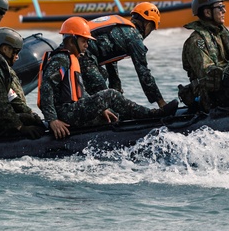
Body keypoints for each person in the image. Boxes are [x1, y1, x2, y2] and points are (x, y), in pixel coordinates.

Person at [38, 17, 167, 139]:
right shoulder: (60, 60)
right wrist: (52, 120)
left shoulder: (70, 58)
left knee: (112, 117)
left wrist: (101, 109)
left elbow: (78, 92)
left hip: (71, 110)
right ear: (71, 41)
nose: (87, 45)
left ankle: (141, 119)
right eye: (84, 41)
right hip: (65, 113)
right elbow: (46, 87)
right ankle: (150, 115)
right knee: (110, 94)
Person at [81, 2, 167, 109]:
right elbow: (144, 73)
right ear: (148, 24)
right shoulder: (134, 37)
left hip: (79, 53)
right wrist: (161, 102)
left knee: (103, 77)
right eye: (152, 29)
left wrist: (117, 91)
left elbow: (110, 60)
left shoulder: (120, 26)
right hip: (83, 56)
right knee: (105, 98)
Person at [179, 0, 229, 111]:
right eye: (220, 7)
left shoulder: (221, 34)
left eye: (224, 7)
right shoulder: (196, 42)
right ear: (207, 12)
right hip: (211, 97)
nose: (224, 11)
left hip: (228, 88)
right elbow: (209, 74)